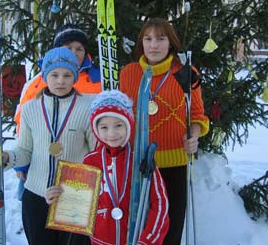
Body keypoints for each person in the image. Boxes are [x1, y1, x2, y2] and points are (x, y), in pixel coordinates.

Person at [119, 18, 210, 245]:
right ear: (141, 43)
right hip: (137, 164)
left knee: (170, 229)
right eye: (148, 39)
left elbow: (198, 114)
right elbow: (120, 116)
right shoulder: (129, 73)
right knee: (140, 229)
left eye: (161, 39)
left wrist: (194, 134)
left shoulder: (185, 72)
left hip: (174, 164)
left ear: (171, 43)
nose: (154, 45)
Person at [45, 90, 170, 245]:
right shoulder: (91, 161)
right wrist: (58, 198)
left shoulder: (140, 161)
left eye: (118, 125)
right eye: (104, 127)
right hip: (99, 242)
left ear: (129, 125)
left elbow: (160, 203)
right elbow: (79, 204)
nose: (112, 133)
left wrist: (148, 241)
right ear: (96, 129)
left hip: (135, 240)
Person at [2, 47, 94, 245]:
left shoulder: (87, 107)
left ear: (75, 77)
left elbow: (96, 155)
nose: (60, 80)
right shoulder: (30, 109)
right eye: (54, 74)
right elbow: (25, 151)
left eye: (67, 75)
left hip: (73, 197)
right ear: (45, 76)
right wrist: (8, 158)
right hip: (36, 196)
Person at [13, 24, 102, 200]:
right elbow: (23, 122)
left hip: (76, 174)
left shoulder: (98, 79)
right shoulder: (38, 81)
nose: (75, 53)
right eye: (68, 48)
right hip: (40, 169)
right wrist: (21, 164)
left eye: (79, 49)